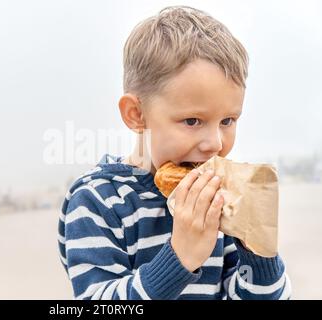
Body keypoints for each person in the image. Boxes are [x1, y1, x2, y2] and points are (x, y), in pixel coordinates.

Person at [57, 5, 291, 300]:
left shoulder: (222, 201)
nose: (215, 143)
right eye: (192, 121)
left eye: (228, 121)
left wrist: (257, 250)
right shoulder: (97, 201)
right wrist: (180, 258)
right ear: (136, 114)